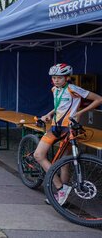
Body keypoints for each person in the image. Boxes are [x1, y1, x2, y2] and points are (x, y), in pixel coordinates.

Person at [33, 64, 102, 205]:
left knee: (65, 162)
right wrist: (48, 114)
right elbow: (59, 106)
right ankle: (61, 188)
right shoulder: (54, 89)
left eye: (59, 78)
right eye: (54, 78)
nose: (56, 80)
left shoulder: (73, 89)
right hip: (55, 127)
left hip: (69, 129)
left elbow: (99, 99)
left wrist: (79, 113)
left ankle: (61, 194)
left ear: (67, 78)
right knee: (38, 155)